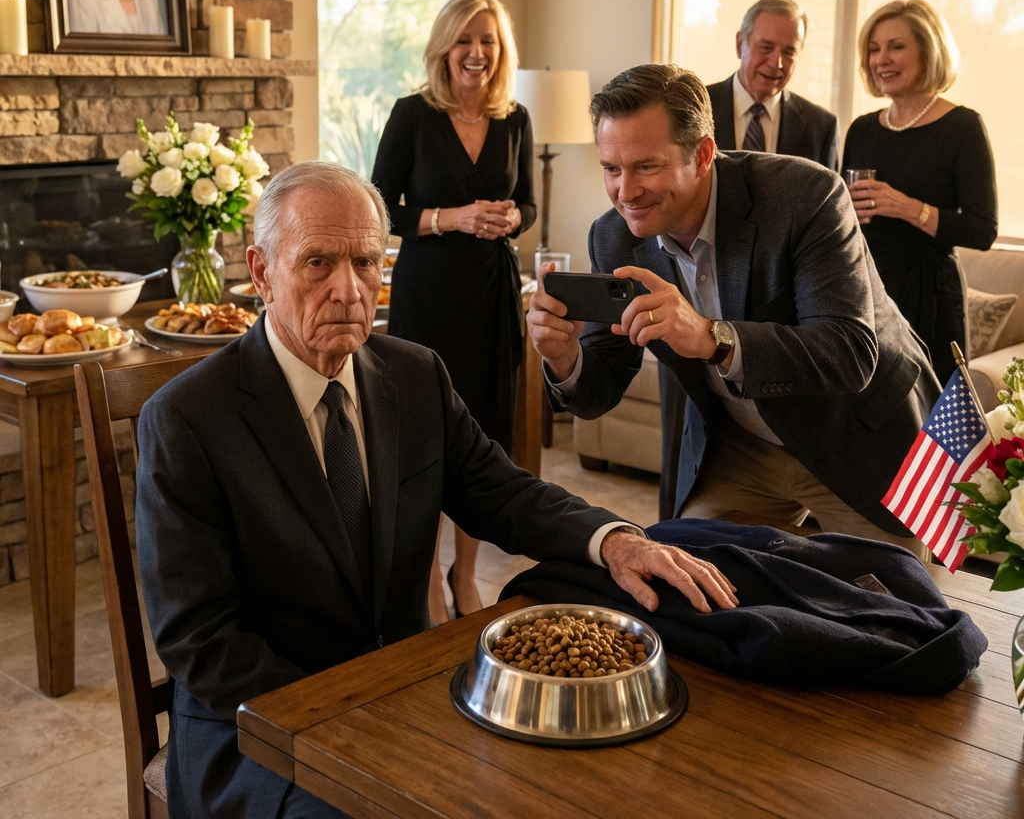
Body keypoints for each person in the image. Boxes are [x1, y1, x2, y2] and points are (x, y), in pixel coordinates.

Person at [135, 161, 738, 819]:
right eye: (317, 264)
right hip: (255, 731)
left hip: (403, 694)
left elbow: (504, 495)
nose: (348, 289)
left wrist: (615, 541)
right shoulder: (188, 419)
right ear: (259, 272)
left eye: (367, 262)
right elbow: (201, 640)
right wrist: (352, 719)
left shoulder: (414, 375)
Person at [527, 64, 941, 556]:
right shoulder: (613, 235)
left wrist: (711, 337)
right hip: (744, 446)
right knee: (693, 586)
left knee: (894, 614)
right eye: (611, 169)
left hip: (854, 433)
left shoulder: (806, 196)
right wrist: (564, 357)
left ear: (702, 154)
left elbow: (848, 352)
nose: (625, 192)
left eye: (646, 167)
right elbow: (601, 386)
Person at [371, 0, 535, 623]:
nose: (477, 53)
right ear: (444, 48)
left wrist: (513, 217)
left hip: (493, 296)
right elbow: (382, 207)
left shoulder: (516, 118)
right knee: (426, 438)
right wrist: (452, 217)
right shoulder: (412, 114)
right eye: (465, 40)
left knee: (486, 437)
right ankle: (423, 579)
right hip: (430, 295)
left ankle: (464, 574)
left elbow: (529, 203)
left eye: (488, 41)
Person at [842, 0, 998, 384]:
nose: (882, 59)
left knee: (930, 422)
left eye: (896, 47)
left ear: (928, 52)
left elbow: (983, 230)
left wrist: (909, 208)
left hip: (931, 295)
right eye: (874, 49)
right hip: (867, 290)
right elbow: (843, 213)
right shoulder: (861, 129)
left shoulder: (962, 127)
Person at [706, 0, 838, 170]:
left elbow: (828, 197)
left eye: (789, 52)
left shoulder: (820, 127)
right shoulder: (697, 107)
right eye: (766, 48)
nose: (777, 63)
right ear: (739, 45)